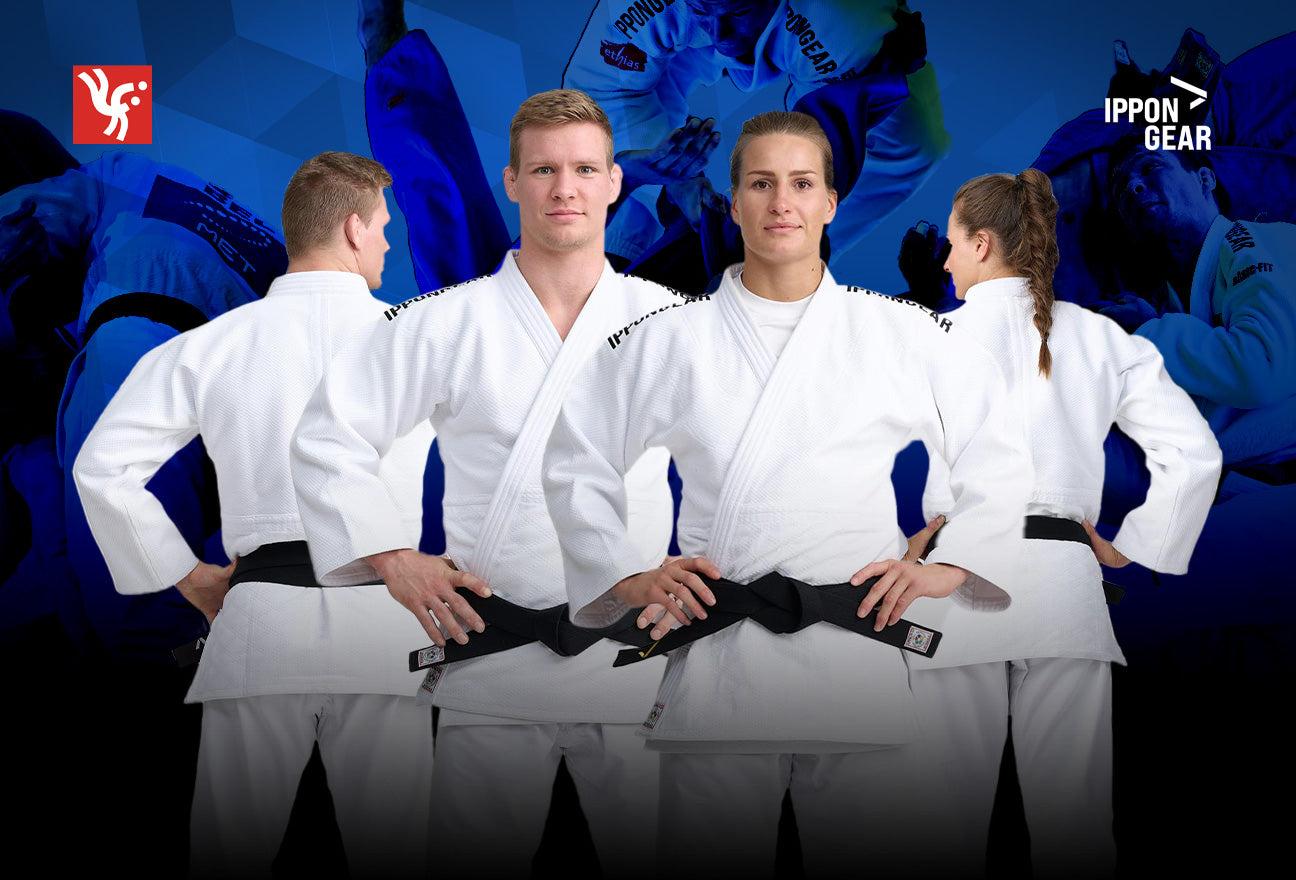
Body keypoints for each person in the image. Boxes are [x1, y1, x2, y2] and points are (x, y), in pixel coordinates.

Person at [540, 110, 1030, 879]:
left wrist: (953, 566)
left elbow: (997, 449)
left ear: (831, 202)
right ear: (733, 203)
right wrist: (625, 573)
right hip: (719, 669)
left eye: (802, 184)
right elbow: (575, 458)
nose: (781, 204)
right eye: (761, 185)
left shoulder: (898, 334)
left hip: (856, 662)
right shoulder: (670, 340)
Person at [290, 90, 680, 877]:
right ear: (511, 182)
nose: (563, 188)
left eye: (582, 169)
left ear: (613, 182)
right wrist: (393, 555)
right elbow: (330, 436)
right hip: (495, 659)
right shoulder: (443, 323)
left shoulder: (675, 323)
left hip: (634, 661)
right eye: (544, 169)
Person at [72, 152, 436, 878]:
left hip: (259, 624)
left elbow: (101, 470)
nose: (390, 245)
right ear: (355, 229)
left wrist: (190, 578)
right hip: (381, 629)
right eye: (384, 229)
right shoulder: (423, 342)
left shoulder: (211, 346)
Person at [904, 169, 1221, 878]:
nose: (945, 261)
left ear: (982, 244)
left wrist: (904, 543)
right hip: (1065, 586)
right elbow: (1194, 451)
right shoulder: (1099, 338)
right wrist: (1138, 544)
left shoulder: (927, 339)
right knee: (1074, 828)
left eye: (952, 246)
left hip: (958, 585)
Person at [564, 0, 951, 264]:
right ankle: (625, 261)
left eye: (735, 11)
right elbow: (602, 92)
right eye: (704, 9)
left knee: (912, 140)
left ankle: (776, 265)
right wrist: (669, 179)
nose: (719, 32)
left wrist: (757, 242)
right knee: (605, 145)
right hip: (679, 23)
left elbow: (816, 158)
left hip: (832, 35)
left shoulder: (843, 22)